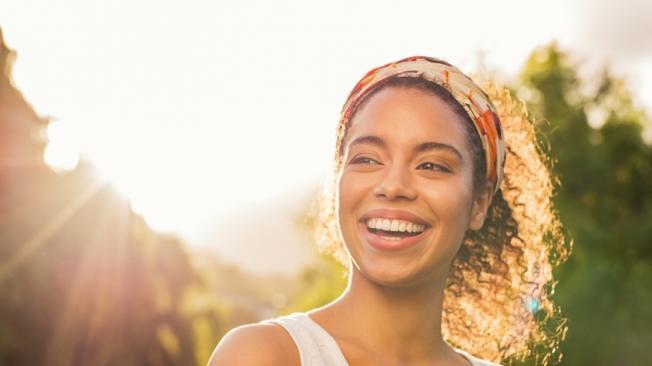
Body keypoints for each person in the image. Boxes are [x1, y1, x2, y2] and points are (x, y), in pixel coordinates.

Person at [208, 56, 568, 365]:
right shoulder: (266, 356)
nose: (393, 186)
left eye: (432, 165)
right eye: (367, 159)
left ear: (479, 202)